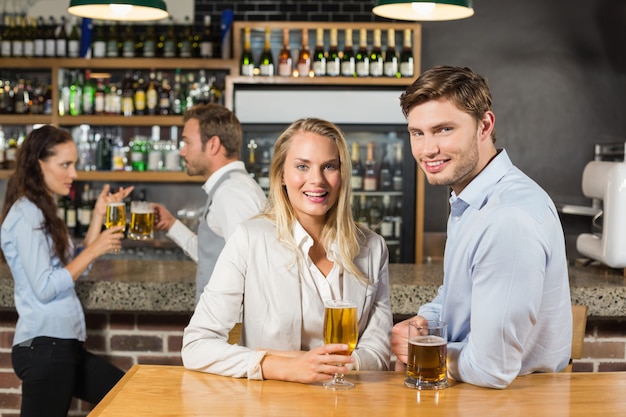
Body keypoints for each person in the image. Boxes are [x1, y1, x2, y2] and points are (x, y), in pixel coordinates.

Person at [391, 66, 572, 389]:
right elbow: (460, 293)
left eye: (443, 129)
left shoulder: (507, 218)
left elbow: (491, 369)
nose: (427, 149)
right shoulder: (472, 196)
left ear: (484, 125)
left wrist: (424, 349)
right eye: (417, 133)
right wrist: (426, 323)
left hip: (516, 403)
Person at [181, 118, 392, 382]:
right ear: (281, 174)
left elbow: (379, 354)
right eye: (302, 166)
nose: (317, 180)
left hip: (345, 404)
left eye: (329, 166)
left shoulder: (372, 248)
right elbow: (196, 346)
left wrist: (314, 364)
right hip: (270, 405)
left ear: (342, 175)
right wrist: (281, 366)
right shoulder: (250, 238)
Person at [0, 125, 133, 417]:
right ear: (39, 164)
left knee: (130, 396)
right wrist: (94, 249)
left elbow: (73, 268)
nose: (74, 174)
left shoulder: (45, 210)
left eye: (74, 164)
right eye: (65, 164)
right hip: (45, 348)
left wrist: (97, 217)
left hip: (61, 345)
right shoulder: (27, 215)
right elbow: (45, 287)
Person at [153, 103, 266, 302]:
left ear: (213, 145)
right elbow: (213, 255)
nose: (182, 152)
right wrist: (171, 225)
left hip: (230, 328)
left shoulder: (232, 193)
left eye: (187, 143)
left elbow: (253, 270)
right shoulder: (230, 187)